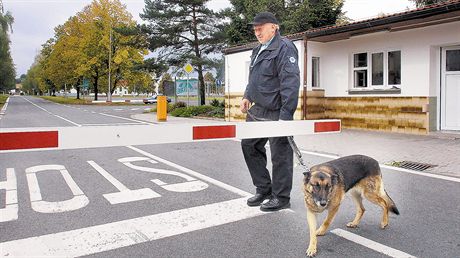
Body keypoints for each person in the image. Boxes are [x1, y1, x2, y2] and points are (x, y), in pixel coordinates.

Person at [240, 12, 300, 211]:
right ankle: (264, 189)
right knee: (249, 146)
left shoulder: (284, 47)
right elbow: (253, 78)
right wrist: (246, 96)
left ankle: (281, 197)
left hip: (276, 111)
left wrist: (286, 116)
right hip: (257, 111)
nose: (257, 32)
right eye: (255, 29)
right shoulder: (258, 49)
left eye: (260, 28)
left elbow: (290, 83)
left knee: (280, 154)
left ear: (274, 27)